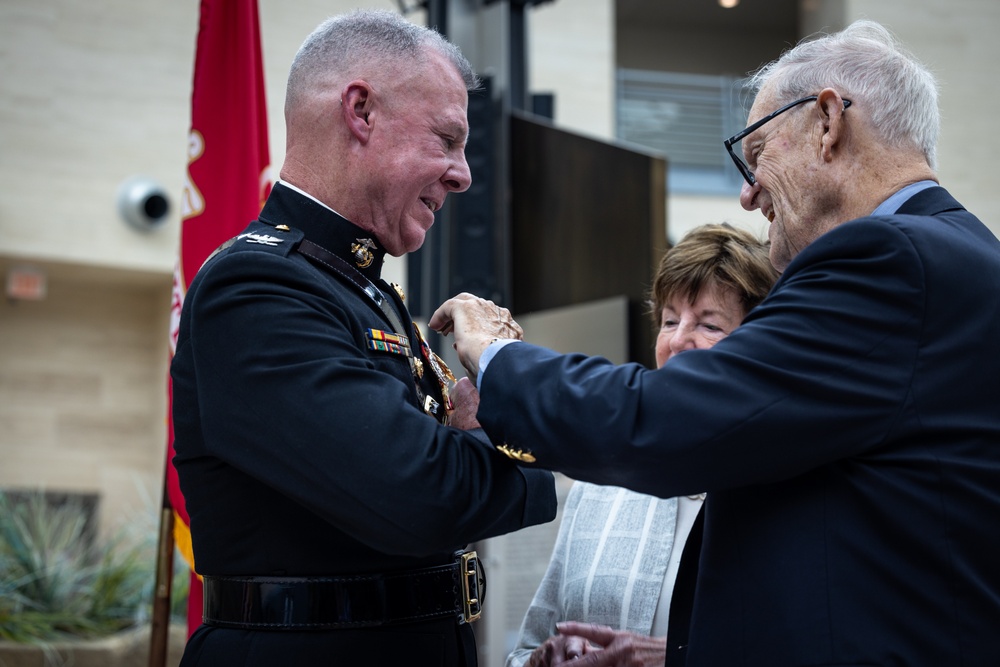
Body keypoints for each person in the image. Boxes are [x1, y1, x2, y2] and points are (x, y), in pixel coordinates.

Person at [430, 19, 1000, 666]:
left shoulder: (889, 258)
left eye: (756, 156)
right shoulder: (953, 253)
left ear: (827, 122)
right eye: (669, 319)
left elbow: (664, 422)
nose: (748, 192)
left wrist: (495, 355)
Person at [169, 10, 556, 667]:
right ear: (361, 111)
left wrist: (471, 439)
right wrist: (506, 429)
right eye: (447, 138)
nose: (463, 174)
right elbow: (421, 496)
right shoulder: (258, 287)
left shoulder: (364, 290)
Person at [506, 224, 778, 667]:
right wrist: (545, 658)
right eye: (669, 320)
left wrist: (678, 658)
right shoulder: (601, 486)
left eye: (709, 325)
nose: (675, 341)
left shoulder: (787, 490)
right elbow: (526, 645)